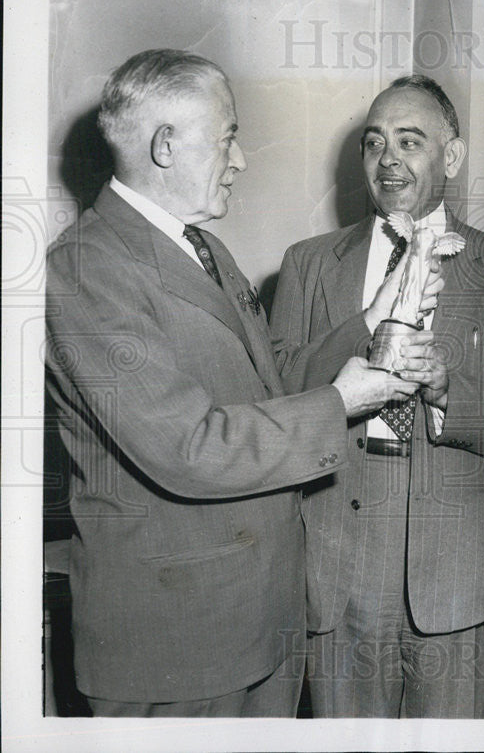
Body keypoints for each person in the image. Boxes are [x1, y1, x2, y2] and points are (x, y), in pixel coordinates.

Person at [44, 49, 419, 717]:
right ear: (165, 145)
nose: (240, 160)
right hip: (176, 642)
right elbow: (190, 446)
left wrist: (370, 320)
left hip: (261, 615)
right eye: (228, 139)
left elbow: (265, 388)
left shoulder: (204, 249)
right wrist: (342, 402)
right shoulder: (83, 270)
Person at [269, 75, 484, 718]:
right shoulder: (308, 263)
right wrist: (368, 320)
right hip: (337, 563)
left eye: (409, 141)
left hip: (457, 565)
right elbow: (281, 392)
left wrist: (451, 388)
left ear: (450, 157)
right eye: (374, 143)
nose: (387, 159)